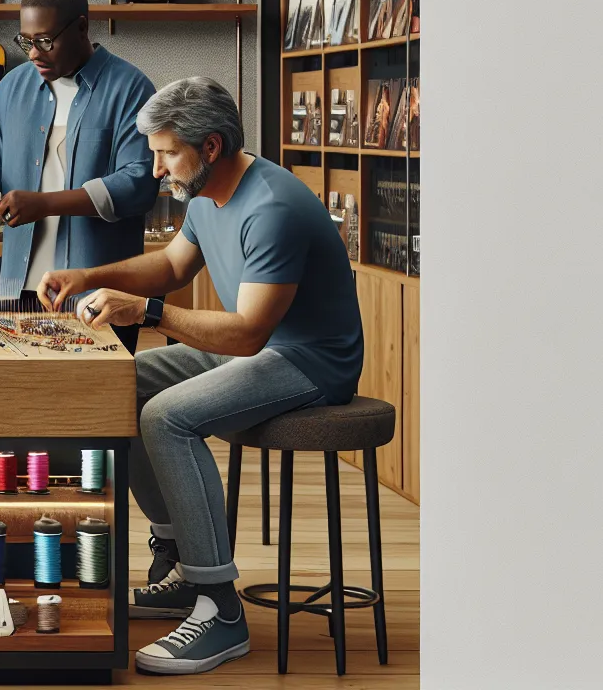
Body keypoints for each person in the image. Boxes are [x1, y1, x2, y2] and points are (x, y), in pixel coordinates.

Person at [38, 77, 364, 676]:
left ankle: (221, 608)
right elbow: (170, 266)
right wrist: (84, 275)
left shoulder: (271, 208)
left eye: (166, 153)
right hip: (257, 349)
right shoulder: (208, 192)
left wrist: (148, 313)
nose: (156, 168)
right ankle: (185, 565)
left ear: (210, 146)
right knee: (122, 382)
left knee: (167, 417)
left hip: (311, 362)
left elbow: (249, 334)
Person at [0, 0, 159, 346]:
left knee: (98, 401)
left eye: (45, 41)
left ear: (82, 28)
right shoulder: (11, 87)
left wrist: (46, 204)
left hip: (98, 296)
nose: (33, 52)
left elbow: (139, 184)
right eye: (26, 41)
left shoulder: (132, 88)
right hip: (18, 289)